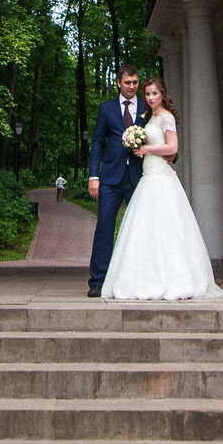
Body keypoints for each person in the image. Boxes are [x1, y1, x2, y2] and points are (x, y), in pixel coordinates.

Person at [99, 77, 223, 301]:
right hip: (148, 177)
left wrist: (146, 148)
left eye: (154, 93)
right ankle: (146, 278)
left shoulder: (166, 117)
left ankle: (176, 280)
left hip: (162, 178)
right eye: (147, 94)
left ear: (163, 94)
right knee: (146, 230)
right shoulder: (150, 117)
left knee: (168, 227)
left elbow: (172, 147)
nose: (150, 98)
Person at [85, 66, 147, 296]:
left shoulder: (146, 107)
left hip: (138, 178)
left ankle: (140, 279)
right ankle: (98, 281)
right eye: (128, 82)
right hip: (110, 179)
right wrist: (94, 176)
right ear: (119, 83)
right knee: (104, 227)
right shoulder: (107, 109)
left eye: (135, 82)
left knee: (140, 228)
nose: (132, 86)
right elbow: (98, 142)